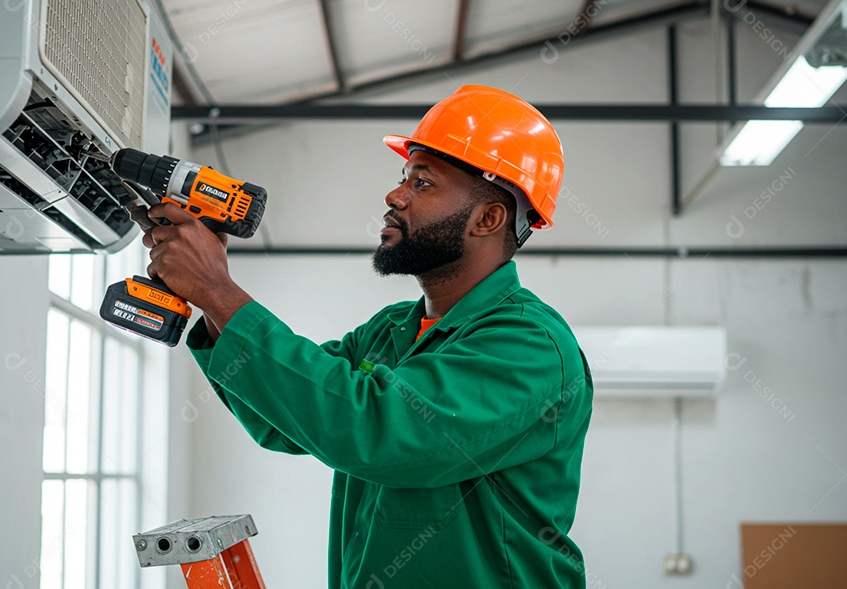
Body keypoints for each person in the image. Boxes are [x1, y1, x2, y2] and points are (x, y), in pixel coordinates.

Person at [142, 85, 594, 588]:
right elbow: (285, 419)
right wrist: (210, 297)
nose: (394, 196)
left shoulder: (528, 343)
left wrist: (216, 289)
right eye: (404, 177)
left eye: (423, 183)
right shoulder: (392, 328)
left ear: (487, 219)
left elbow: (375, 431)